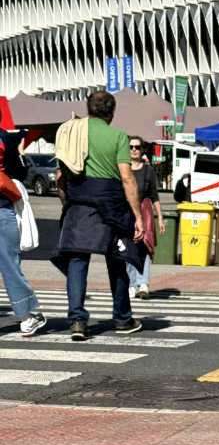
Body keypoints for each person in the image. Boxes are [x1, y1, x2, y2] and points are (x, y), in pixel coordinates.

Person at [53, 90, 144, 341]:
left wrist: (66, 203)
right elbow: (127, 177)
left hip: (79, 201)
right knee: (117, 260)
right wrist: (138, 215)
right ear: (111, 113)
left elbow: (60, 176)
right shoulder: (117, 137)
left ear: (89, 108)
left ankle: (77, 321)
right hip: (111, 204)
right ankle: (122, 318)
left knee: (77, 261)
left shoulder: (71, 132)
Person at [0, 129, 46, 336]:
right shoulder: (6, 138)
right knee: (10, 264)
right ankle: (27, 316)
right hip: (2, 206)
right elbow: (20, 173)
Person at [126, 137, 164, 299]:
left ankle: (143, 283)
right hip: (127, 214)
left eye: (137, 147)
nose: (134, 149)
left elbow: (154, 196)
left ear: (142, 149)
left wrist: (160, 218)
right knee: (128, 249)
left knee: (145, 248)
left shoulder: (148, 170)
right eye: (131, 147)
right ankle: (131, 284)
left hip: (145, 213)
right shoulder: (123, 168)